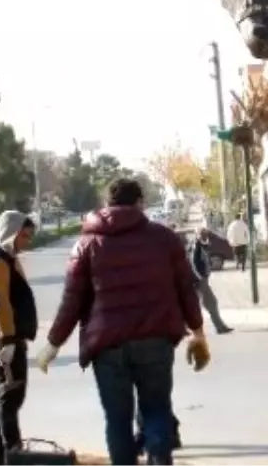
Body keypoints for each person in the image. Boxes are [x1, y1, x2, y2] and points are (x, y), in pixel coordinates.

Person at [36, 178, 211, 466]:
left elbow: (72, 301)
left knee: (117, 420)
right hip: (156, 340)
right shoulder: (164, 238)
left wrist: (53, 345)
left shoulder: (87, 244)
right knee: (157, 411)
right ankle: (158, 458)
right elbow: (185, 289)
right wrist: (198, 332)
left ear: (108, 205)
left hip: (107, 347)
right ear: (140, 203)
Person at [0, 211, 38, 466]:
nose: (26, 241)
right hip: (6, 341)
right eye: (23, 236)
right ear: (11, 233)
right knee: (9, 400)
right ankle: (12, 455)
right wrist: (9, 341)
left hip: (4, 339)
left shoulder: (6, 258)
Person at [190, 227, 233, 334]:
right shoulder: (196, 246)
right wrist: (199, 278)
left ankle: (220, 326)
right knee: (211, 303)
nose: (206, 238)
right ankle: (220, 327)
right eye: (204, 235)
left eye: (207, 236)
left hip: (202, 280)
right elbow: (193, 264)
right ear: (200, 236)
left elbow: (208, 247)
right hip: (200, 281)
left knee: (208, 304)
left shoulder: (201, 246)